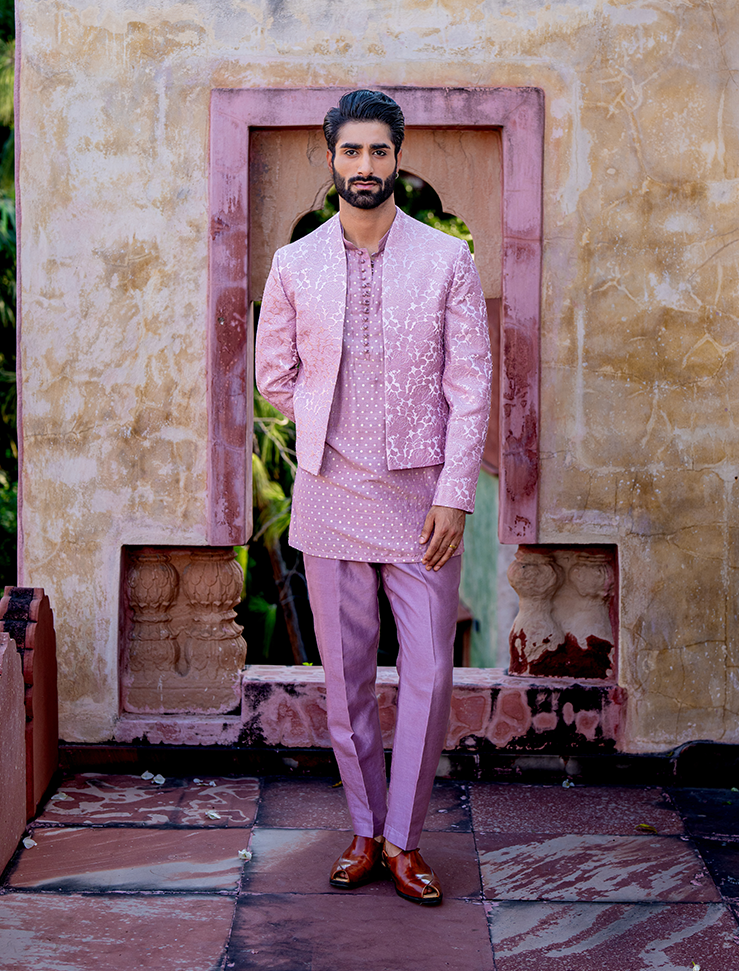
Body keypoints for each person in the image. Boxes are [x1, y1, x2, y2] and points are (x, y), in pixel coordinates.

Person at [255, 89, 491, 906]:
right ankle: (364, 828)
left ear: (399, 156)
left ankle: (404, 839)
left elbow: (472, 386)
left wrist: (455, 495)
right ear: (332, 159)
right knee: (347, 677)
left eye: (378, 152)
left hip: (424, 498)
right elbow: (272, 374)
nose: (364, 167)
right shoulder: (295, 265)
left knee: (427, 676)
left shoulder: (447, 259)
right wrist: (330, 425)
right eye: (350, 152)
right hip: (328, 495)